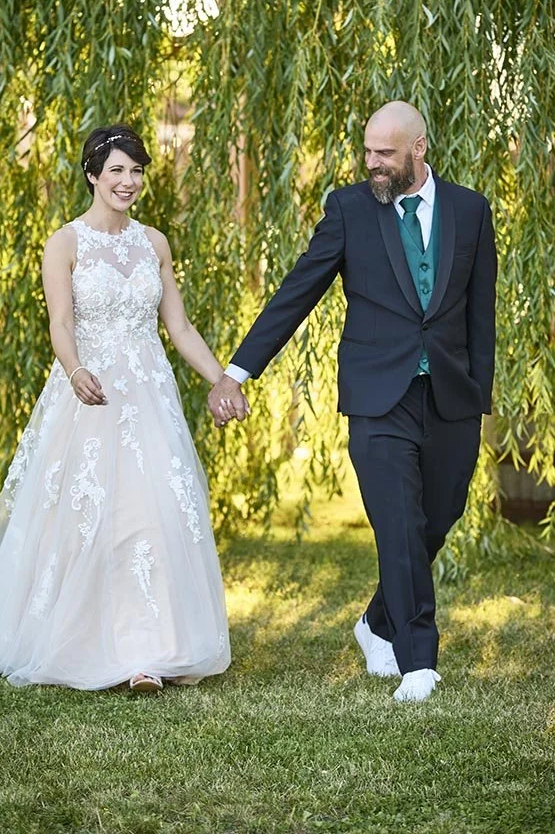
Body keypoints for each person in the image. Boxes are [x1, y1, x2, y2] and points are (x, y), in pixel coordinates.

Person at [209, 101, 496, 703]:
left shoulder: (470, 210)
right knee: (398, 523)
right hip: (376, 396)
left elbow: (480, 314)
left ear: (418, 149)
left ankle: (377, 621)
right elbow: (298, 292)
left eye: (384, 153)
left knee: (436, 519)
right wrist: (238, 371)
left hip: (449, 397)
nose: (372, 163)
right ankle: (419, 659)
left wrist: (478, 396)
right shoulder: (349, 208)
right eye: (367, 151)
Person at [0, 124, 231, 693]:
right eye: (117, 170)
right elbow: (61, 323)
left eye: (137, 170)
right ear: (93, 175)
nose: (129, 181)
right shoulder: (64, 243)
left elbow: (181, 326)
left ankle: (147, 653)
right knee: (86, 519)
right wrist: (74, 371)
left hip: (149, 396)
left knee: (151, 515)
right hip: (88, 393)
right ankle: (80, 638)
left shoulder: (155, 243)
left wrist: (221, 379)